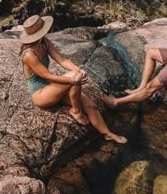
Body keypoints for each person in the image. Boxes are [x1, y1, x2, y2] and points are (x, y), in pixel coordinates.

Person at [18, 14, 127, 144]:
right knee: (74, 78)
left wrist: (78, 70)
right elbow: (46, 75)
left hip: (53, 87)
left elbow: (62, 60)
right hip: (41, 94)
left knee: (90, 105)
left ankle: (108, 134)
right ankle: (75, 111)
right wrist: (72, 79)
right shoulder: (29, 54)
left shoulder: (44, 42)